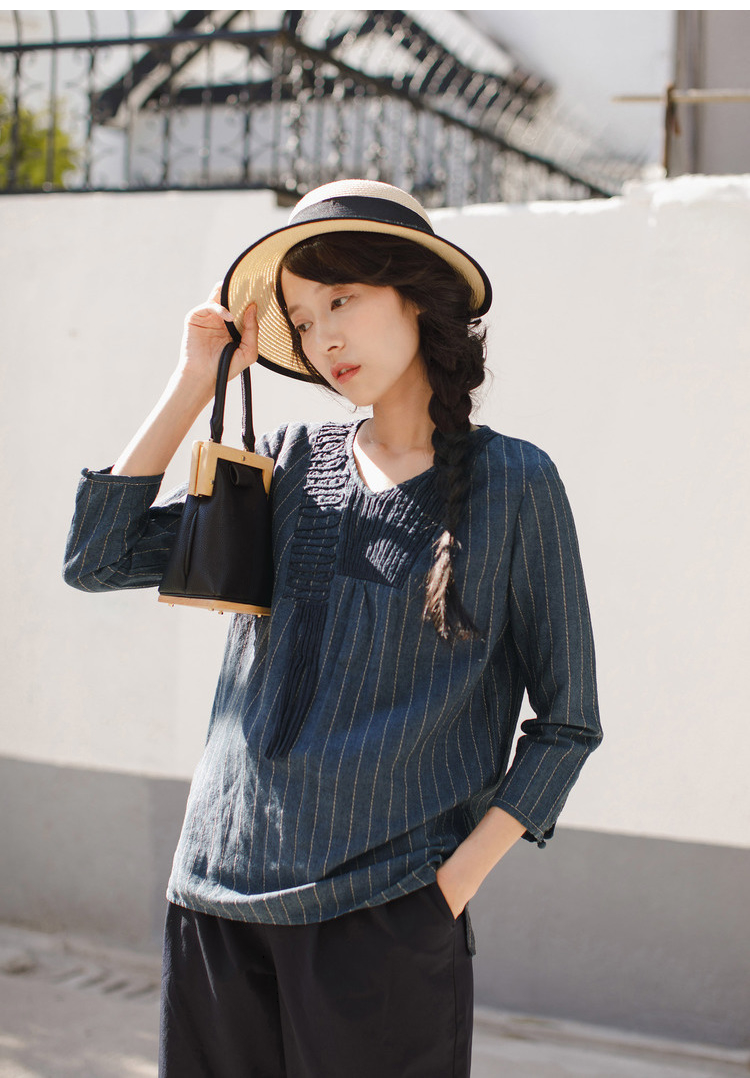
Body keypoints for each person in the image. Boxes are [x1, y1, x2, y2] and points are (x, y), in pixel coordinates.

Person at [63, 179, 602, 1078]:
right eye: (304, 322)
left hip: (384, 922)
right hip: (215, 902)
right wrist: (195, 381)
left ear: (416, 295)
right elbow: (98, 556)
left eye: (342, 301)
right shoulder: (284, 466)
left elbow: (568, 722)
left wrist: (445, 892)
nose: (324, 340)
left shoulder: (516, 484)